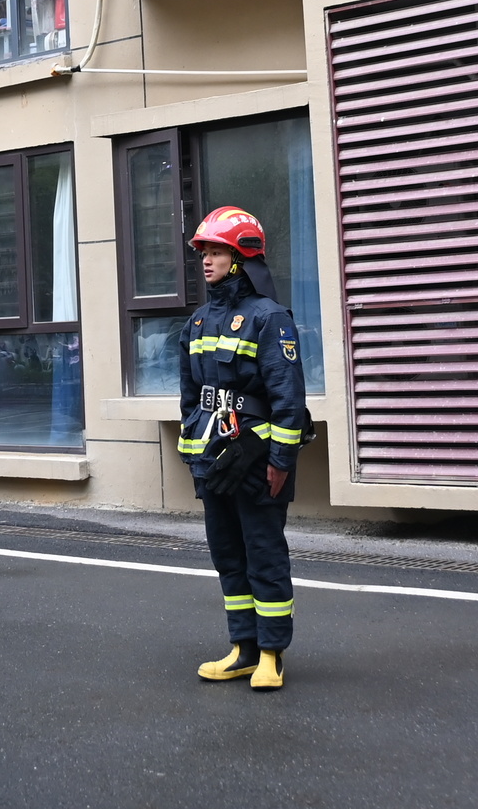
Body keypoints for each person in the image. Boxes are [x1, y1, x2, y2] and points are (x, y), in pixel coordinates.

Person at [177, 207, 306, 692]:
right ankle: (243, 649)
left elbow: (288, 398)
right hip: (215, 459)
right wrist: (196, 456)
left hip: (256, 460)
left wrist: (279, 461)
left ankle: (272, 653)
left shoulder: (269, 318)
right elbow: (191, 398)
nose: (206, 261)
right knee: (228, 556)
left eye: (216, 252)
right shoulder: (196, 322)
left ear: (240, 259)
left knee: (263, 555)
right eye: (204, 253)